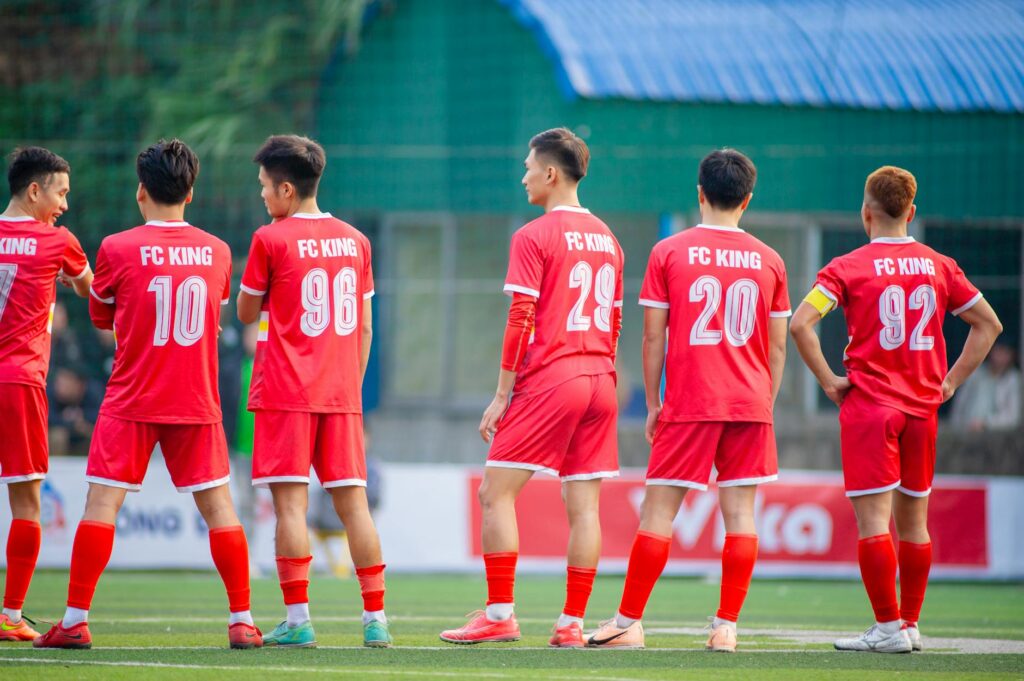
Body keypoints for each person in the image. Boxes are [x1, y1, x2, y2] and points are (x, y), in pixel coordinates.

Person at [35, 139, 261, 650]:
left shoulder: (116, 247)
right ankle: (243, 620)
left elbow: (100, 318)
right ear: (191, 192)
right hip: (195, 401)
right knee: (220, 509)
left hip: (132, 397)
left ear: (141, 191)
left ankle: (74, 620)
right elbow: (214, 314)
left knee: (102, 505)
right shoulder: (219, 251)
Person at [790, 166, 1002, 653]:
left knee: (873, 524)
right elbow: (988, 325)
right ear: (911, 212)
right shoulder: (939, 265)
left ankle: (886, 628)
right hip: (922, 409)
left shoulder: (846, 267)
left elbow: (802, 324)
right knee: (915, 524)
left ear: (865, 212)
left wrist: (828, 381)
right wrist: (949, 383)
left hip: (871, 407)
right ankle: (909, 624)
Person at [587, 149, 790, 653]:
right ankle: (726, 627)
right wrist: (765, 400)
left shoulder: (670, 251)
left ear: (700, 193)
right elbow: (779, 344)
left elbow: (652, 338)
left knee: (658, 513)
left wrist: (654, 404)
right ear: (747, 199)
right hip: (750, 404)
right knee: (741, 515)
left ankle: (628, 623)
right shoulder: (771, 259)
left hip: (690, 401)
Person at [440, 127, 624, 648]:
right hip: (601, 379)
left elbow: (521, 316)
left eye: (528, 167)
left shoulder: (534, 235)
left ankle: (499, 613)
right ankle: (571, 626)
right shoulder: (609, 238)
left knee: (495, 494)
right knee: (584, 507)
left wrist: (502, 394)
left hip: (554, 378)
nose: (523, 176)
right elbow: (613, 323)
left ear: (550, 173)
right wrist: (601, 371)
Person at [236, 134, 389, 648]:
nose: (262, 196)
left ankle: (298, 619)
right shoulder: (357, 240)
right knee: (355, 508)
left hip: (285, 393)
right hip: (342, 395)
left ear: (285, 188)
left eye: (263, 187)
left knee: (290, 510)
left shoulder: (270, 239)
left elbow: (244, 312)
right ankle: (376, 620)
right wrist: (351, 385)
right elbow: (365, 329)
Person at [0, 146, 91, 641]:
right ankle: (10, 615)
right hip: (18, 383)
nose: (65, 205)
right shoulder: (57, 243)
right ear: (35, 190)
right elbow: (89, 291)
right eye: (60, 193)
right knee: (27, 504)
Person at [950, 342, 1020, 431]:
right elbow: (959, 405)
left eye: (1005, 352)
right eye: (998, 350)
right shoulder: (975, 373)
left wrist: (985, 423)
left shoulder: (1013, 379)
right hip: (967, 433)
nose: (1000, 356)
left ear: (1011, 355)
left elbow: (1012, 417)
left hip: (998, 437)